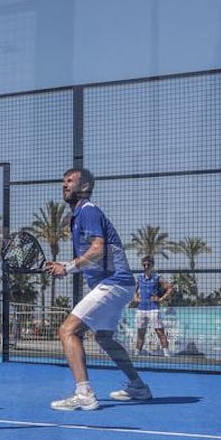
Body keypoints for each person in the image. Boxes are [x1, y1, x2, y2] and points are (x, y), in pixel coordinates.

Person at [44, 168, 151, 410]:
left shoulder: (88, 211)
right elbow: (95, 259)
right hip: (118, 284)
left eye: (70, 181)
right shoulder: (78, 216)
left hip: (114, 283)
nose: (64, 185)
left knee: (67, 330)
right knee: (103, 337)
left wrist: (69, 267)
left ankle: (84, 394)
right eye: (63, 182)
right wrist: (64, 266)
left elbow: (98, 249)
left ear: (84, 187)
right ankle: (138, 386)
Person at [132, 255, 175, 356]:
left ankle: (167, 355)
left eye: (148, 264)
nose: (146, 266)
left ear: (152, 265)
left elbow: (170, 288)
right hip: (141, 309)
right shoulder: (139, 278)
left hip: (153, 309)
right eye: (144, 265)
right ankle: (136, 355)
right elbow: (134, 290)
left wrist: (161, 299)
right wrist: (136, 298)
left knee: (160, 332)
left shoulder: (157, 278)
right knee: (140, 334)